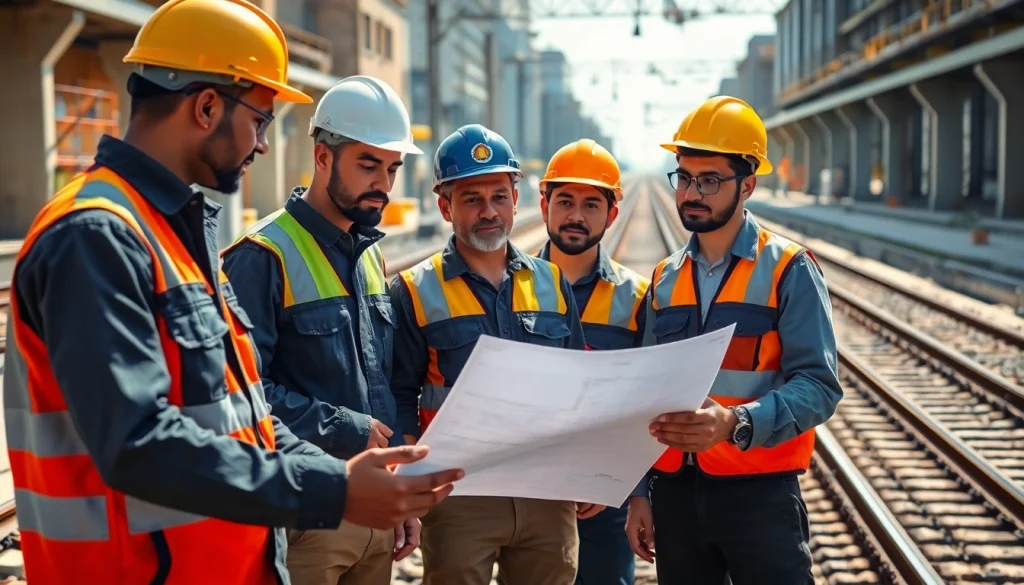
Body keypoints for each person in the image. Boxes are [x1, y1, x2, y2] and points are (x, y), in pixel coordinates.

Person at [2, 2, 462, 584]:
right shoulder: (95, 235)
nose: (264, 145)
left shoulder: (174, 234)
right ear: (207, 106)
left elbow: (243, 417)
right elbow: (137, 441)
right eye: (261, 120)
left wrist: (345, 478)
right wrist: (331, 488)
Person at [624, 96, 842, 585]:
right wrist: (640, 492)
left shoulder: (789, 269)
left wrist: (736, 422)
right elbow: (644, 393)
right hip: (676, 494)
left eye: (709, 180)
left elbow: (820, 386)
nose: (691, 193)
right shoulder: (663, 278)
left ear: (748, 185)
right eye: (684, 177)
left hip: (759, 494)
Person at [221, 74, 422, 585]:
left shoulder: (370, 256)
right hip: (306, 516)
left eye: (392, 168)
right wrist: (344, 428)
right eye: (369, 164)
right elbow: (242, 395)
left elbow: (385, 385)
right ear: (323, 156)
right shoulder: (262, 256)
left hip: (376, 510)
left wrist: (400, 491)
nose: (384, 183)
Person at [389, 124, 593, 585]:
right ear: (445, 206)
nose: (489, 212)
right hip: (459, 495)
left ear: (515, 200)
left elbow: (580, 386)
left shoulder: (552, 283)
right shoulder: (415, 291)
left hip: (547, 492)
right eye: (472, 198)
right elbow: (400, 393)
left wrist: (588, 468)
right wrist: (405, 487)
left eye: (499, 196)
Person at [535, 139, 649, 585]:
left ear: (612, 214)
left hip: (606, 496)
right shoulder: (511, 290)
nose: (576, 216)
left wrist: (627, 487)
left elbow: (646, 402)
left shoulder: (638, 299)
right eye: (565, 201)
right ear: (544, 205)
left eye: (590, 204)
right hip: (529, 495)